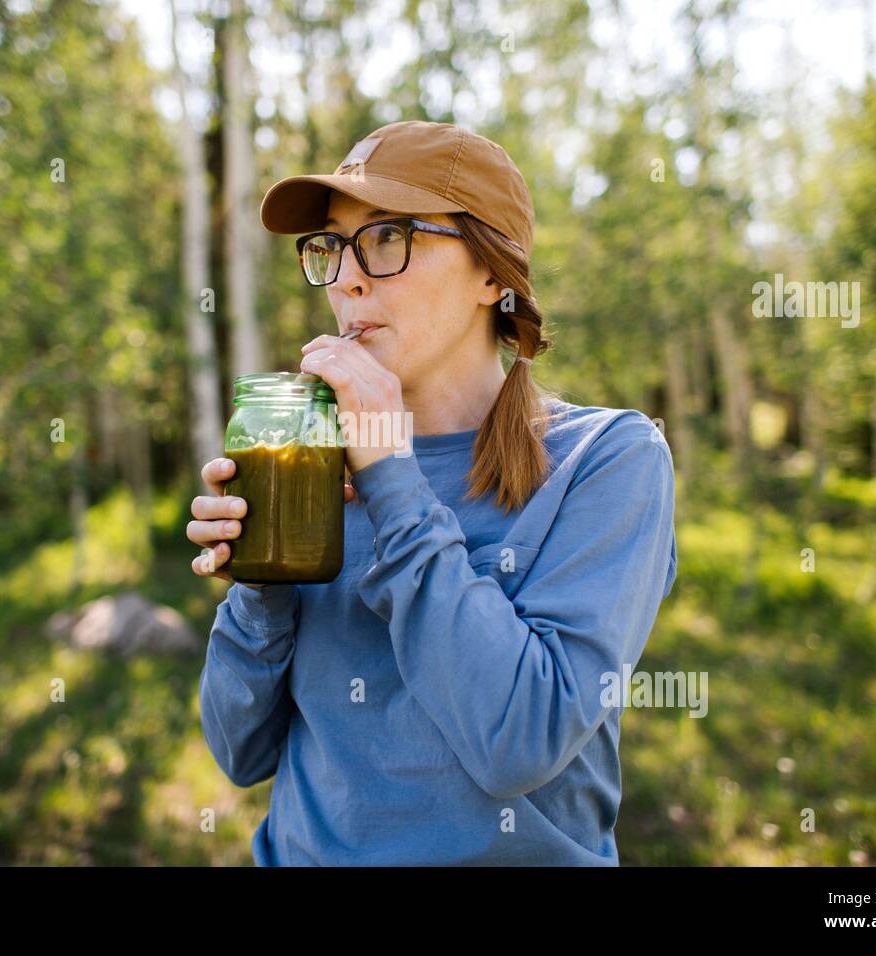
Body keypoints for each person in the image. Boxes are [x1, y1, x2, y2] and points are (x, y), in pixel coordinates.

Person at [187, 120, 677, 865]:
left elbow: (520, 740)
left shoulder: (607, 460)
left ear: (492, 275)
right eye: (331, 246)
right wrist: (261, 582)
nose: (347, 278)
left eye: (386, 238)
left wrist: (392, 478)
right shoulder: (314, 460)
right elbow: (238, 751)